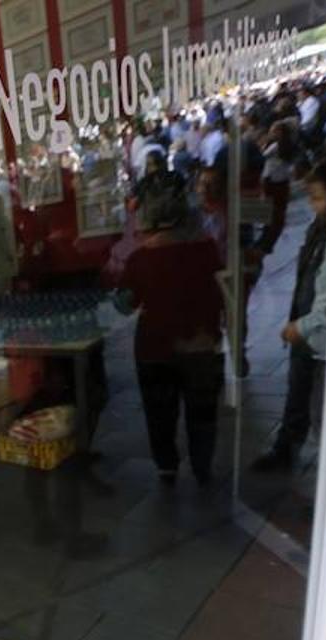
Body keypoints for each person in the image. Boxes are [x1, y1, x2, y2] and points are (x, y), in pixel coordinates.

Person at [113, 183, 225, 485]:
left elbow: (125, 305)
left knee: (159, 410)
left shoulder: (139, 259)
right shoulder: (207, 248)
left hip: (155, 345)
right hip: (201, 343)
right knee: (202, 412)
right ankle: (202, 465)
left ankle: (167, 465)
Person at [251, 158, 326, 471]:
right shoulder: (320, 229)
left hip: (320, 337)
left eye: (318, 198)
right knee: (297, 393)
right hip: (305, 329)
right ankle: (286, 449)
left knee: (320, 409)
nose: (314, 205)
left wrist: (301, 325)